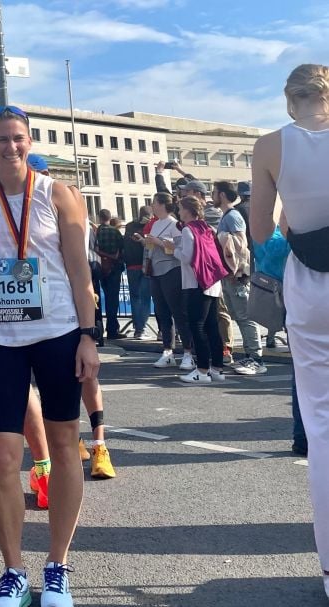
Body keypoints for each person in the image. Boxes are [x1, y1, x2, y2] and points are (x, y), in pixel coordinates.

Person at [0, 106, 99, 607]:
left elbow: (78, 269)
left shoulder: (57, 192)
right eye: (1, 139)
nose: (11, 147)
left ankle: (58, 565)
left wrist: (89, 336)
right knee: (1, 454)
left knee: (65, 446)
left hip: (58, 331)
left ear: (29, 140)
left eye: (18, 138)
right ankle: (13, 570)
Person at [250, 63, 329, 599]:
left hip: (310, 282)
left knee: (321, 425)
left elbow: (260, 233)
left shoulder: (269, 146)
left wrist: (289, 231)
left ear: (288, 101)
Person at [134, 193, 196, 372]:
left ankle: (187, 352)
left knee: (178, 312)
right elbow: (154, 246)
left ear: (162, 205)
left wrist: (159, 242)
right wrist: (145, 242)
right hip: (156, 271)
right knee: (162, 312)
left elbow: (179, 248)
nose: (152, 206)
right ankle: (167, 350)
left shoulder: (174, 223)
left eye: (154, 203)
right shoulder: (156, 224)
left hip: (171, 270)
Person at [212, 180, 266, 375]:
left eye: (215, 192)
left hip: (237, 275)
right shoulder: (228, 215)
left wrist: (239, 271)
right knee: (239, 316)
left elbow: (241, 246)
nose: (212, 195)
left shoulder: (233, 216)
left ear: (223, 195)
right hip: (231, 274)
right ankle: (251, 355)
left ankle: (256, 359)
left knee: (245, 316)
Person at [173, 196, 227, 383]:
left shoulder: (188, 230)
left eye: (180, 208)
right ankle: (217, 369)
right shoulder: (206, 227)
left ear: (187, 210)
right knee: (212, 326)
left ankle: (202, 370)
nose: (179, 211)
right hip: (212, 281)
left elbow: (187, 257)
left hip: (196, 283)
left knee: (197, 326)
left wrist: (174, 249)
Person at [94, 208, 126, 340]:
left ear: (99, 217)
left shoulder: (96, 232)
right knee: (112, 300)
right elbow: (122, 249)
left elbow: (93, 248)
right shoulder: (115, 232)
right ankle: (112, 329)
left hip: (101, 268)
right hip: (114, 268)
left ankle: (99, 328)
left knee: (100, 299)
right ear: (110, 217)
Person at [123, 206, 153, 339]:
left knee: (135, 298)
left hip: (130, 266)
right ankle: (142, 329)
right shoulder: (150, 226)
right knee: (145, 298)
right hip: (145, 265)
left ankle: (137, 329)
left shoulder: (129, 227)